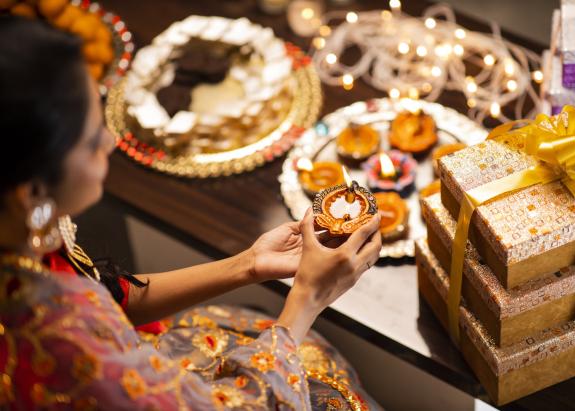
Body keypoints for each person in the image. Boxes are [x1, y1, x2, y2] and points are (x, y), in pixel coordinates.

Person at [0, 15, 383, 410]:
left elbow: (109, 299)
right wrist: (308, 297)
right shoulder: (61, 352)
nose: (111, 142)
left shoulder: (21, 232)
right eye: (92, 138)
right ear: (30, 191)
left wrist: (250, 264)